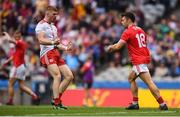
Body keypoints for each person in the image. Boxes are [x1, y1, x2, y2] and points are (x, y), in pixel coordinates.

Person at [106, 12, 168, 110]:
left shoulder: (128, 31)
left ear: (129, 20)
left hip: (138, 60)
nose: (121, 22)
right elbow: (143, 43)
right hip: (142, 58)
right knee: (131, 78)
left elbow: (118, 46)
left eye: (123, 20)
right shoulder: (141, 30)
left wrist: (110, 48)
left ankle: (162, 104)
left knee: (149, 83)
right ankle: (135, 103)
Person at [35, 6, 74, 109]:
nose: (56, 17)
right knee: (57, 76)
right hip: (47, 54)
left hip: (55, 53)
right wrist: (53, 42)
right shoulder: (41, 25)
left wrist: (66, 48)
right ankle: (57, 102)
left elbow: (56, 44)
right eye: (54, 14)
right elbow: (41, 40)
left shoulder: (54, 27)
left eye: (56, 15)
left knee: (69, 76)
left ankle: (56, 100)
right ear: (47, 13)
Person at [1, 31, 39, 105]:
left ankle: (11, 101)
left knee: (10, 84)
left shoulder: (20, 43)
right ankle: (34, 95)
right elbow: (14, 56)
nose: (14, 37)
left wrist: (6, 33)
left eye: (15, 36)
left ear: (19, 36)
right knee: (21, 86)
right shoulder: (18, 45)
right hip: (21, 67)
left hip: (17, 66)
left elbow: (9, 40)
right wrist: (6, 62)